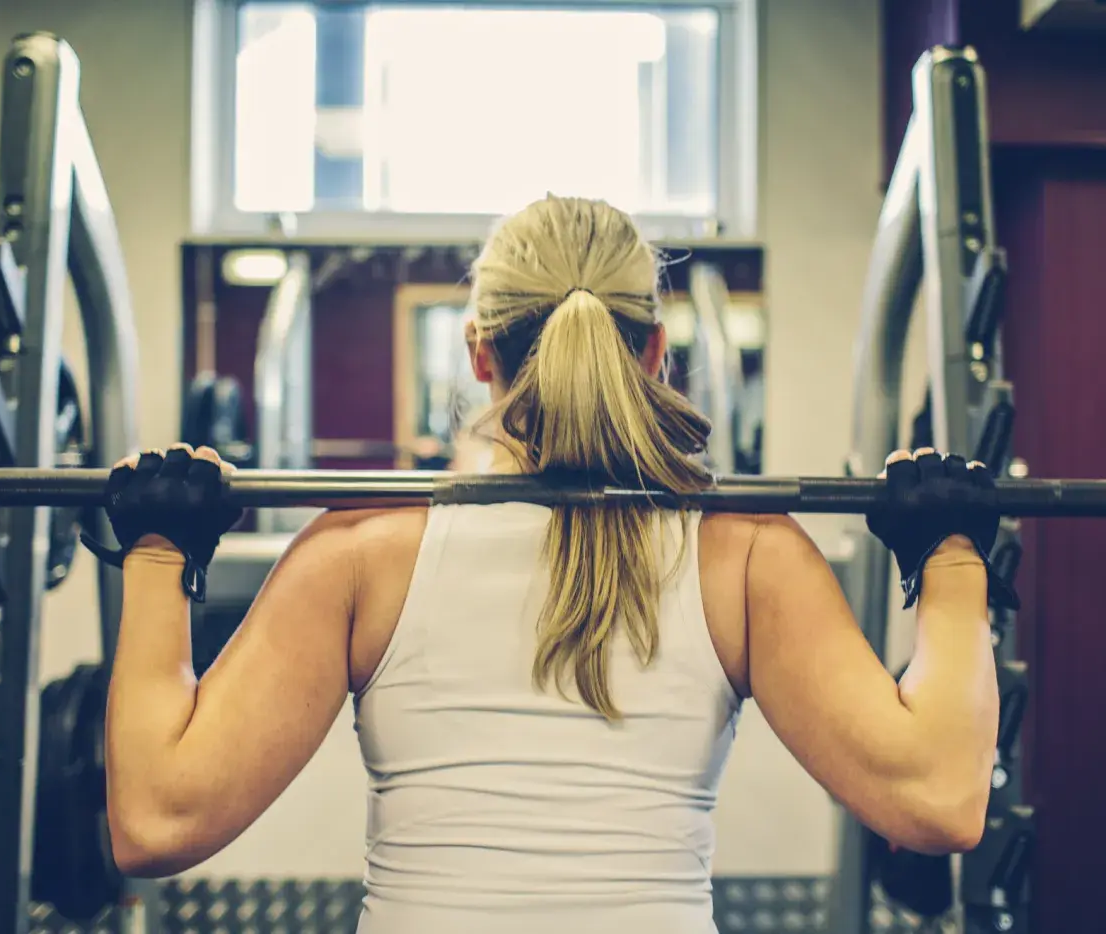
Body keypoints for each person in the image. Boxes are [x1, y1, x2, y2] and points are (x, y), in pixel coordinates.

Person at [82, 196, 1012, 934]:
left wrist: (160, 551)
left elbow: (159, 821)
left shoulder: (360, 550)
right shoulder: (749, 553)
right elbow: (938, 799)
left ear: (478, 351)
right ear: (654, 350)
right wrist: (952, 557)